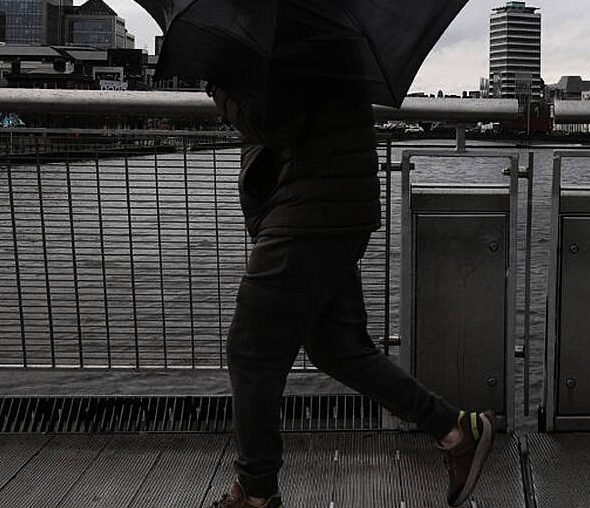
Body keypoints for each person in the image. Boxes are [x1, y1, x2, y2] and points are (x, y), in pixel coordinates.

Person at [207, 82, 495, 508]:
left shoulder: (286, 34)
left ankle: (256, 492)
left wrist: (222, 85)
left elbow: (271, 123)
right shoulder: (321, 28)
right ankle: (456, 430)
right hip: (332, 205)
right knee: (338, 347)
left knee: (250, 353)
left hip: (306, 213)